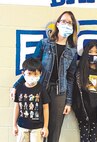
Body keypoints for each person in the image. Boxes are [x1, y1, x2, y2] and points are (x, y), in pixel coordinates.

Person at [10, 11, 78, 142]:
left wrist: (68, 101)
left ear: (73, 27)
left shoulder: (72, 50)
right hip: (41, 88)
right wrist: (16, 85)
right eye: (63, 21)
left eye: (70, 22)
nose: (66, 24)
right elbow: (31, 66)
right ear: (57, 24)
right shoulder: (44, 43)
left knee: (54, 130)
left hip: (60, 92)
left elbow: (71, 77)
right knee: (38, 128)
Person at [72, 40, 97, 142]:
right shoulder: (78, 72)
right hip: (83, 112)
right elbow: (73, 93)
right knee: (84, 138)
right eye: (90, 52)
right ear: (86, 53)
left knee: (94, 139)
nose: (93, 55)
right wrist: (77, 109)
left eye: (96, 52)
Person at [13, 58, 50, 142]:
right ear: (23, 73)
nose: (32, 77)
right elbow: (16, 107)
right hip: (22, 127)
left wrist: (45, 127)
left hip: (37, 128)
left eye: (36, 74)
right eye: (29, 73)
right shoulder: (19, 88)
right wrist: (14, 125)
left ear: (40, 74)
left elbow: (46, 108)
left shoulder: (42, 89)